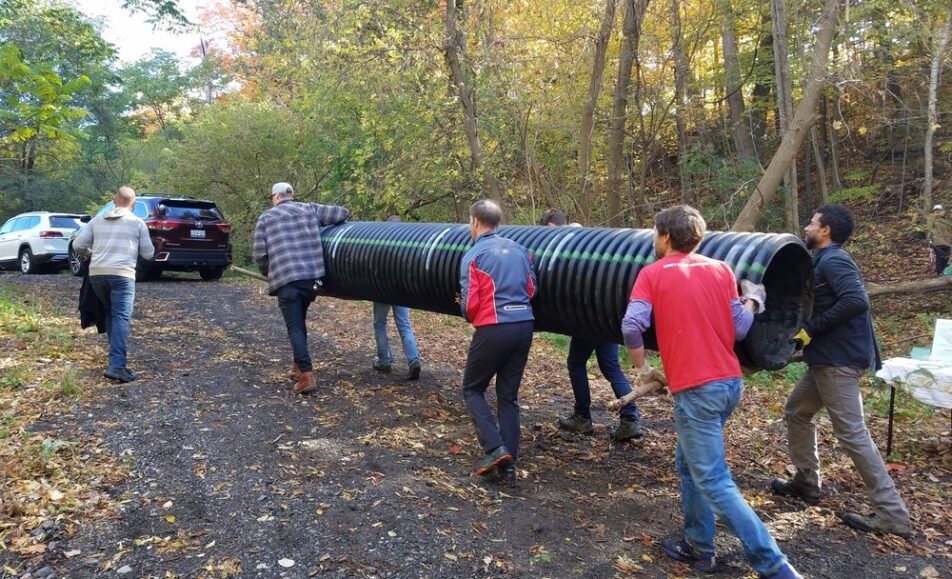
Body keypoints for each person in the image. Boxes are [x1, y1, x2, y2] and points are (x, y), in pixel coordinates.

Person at [621, 205, 800, 579]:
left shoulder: (651, 274)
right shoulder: (721, 270)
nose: (654, 239)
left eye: (655, 233)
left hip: (698, 391)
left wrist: (642, 370)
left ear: (666, 237)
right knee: (689, 465)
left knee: (715, 480)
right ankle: (699, 545)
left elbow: (632, 325)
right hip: (729, 385)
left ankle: (776, 567)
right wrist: (754, 299)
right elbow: (738, 328)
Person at [771, 203, 912, 538]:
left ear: (826, 231)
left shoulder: (835, 259)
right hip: (826, 360)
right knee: (796, 412)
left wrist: (812, 330)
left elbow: (855, 301)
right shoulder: (820, 260)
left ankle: (893, 515)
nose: (806, 226)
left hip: (839, 362)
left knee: (852, 433)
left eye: (811, 222)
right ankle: (806, 483)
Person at [539, 208, 643, 441]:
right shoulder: (589, 239)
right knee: (611, 368)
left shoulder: (567, 244)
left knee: (576, 363)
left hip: (587, 315)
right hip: (607, 315)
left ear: (552, 227)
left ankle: (582, 417)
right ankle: (630, 419)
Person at [460, 199, 537, 485]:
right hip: (524, 326)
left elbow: (470, 304)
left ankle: (494, 448)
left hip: (494, 328)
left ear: (475, 222)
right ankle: (509, 467)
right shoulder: (521, 250)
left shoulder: (474, 255)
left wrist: (466, 311)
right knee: (508, 397)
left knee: (472, 389)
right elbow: (531, 288)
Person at [253, 182, 349, 395]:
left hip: (287, 280)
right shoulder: (310, 209)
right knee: (300, 322)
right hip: (310, 280)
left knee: (295, 326)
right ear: (291, 196)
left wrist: (268, 271)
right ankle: (297, 367)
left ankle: (306, 375)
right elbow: (342, 213)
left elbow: (260, 254)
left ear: (275, 197)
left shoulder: (266, 218)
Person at [73, 186, 155, 383]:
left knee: (111, 313)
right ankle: (117, 366)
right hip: (122, 275)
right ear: (133, 204)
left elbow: (77, 246)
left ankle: (115, 362)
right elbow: (148, 253)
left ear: (114, 200)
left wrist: (95, 253)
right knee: (121, 316)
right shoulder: (137, 223)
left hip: (97, 275)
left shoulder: (97, 220)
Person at [372, 215, 421, 380]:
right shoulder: (408, 246)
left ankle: (384, 361)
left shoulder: (378, 246)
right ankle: (413, 361)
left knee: (380, 324)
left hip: (382, 291)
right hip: (401, 291)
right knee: (404, 325)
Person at [928, 203, 950, 276]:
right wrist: (930, 243)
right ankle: (939, 273)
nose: (937, 212)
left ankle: (943, 272)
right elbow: (929, 231)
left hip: (947, 243)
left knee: (946, 258)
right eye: (936, 211)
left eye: (939, 210)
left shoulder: (946, 220)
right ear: (934, 212)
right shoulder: (932, 220)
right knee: (940, 258)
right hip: (937, 243)